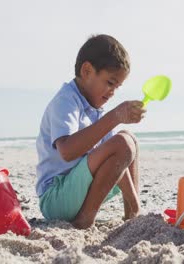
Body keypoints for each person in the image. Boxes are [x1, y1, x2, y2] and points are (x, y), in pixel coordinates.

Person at [36, 34, 146, 229]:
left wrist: (135, 204)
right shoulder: (66, 100)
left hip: (79, 192)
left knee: (129, 140)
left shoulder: (94, 109)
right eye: (110, 83)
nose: (112, 92)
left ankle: (132, 212)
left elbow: (120, 158)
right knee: (123, 142)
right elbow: (67, 151)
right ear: (86, 71)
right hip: (56, 198)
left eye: (117, 87)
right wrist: (114, 117)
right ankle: (85, 220)